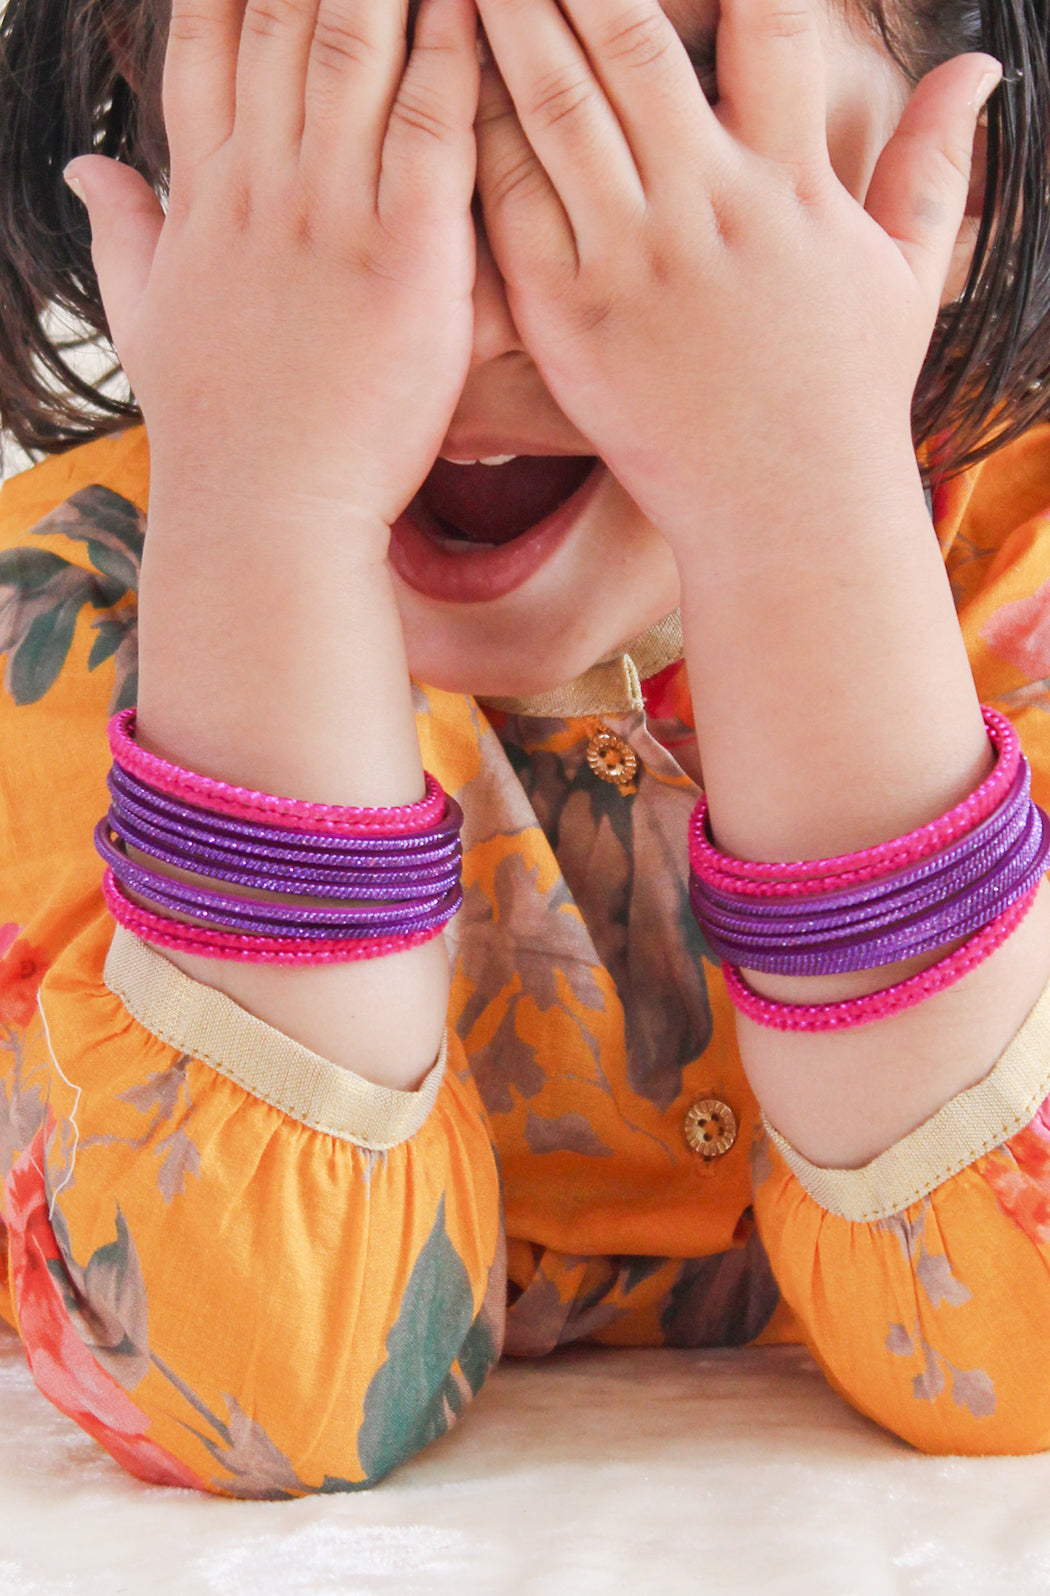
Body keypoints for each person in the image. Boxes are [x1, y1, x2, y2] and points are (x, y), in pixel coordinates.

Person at [0, 0, 1049, 1496]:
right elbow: (251, 1385)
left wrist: (800, 515)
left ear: (957, 192)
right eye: (334, 117)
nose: (469, 308)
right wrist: (271, 518)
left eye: (647, 123)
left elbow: (1026, 1360)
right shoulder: (63, 620)